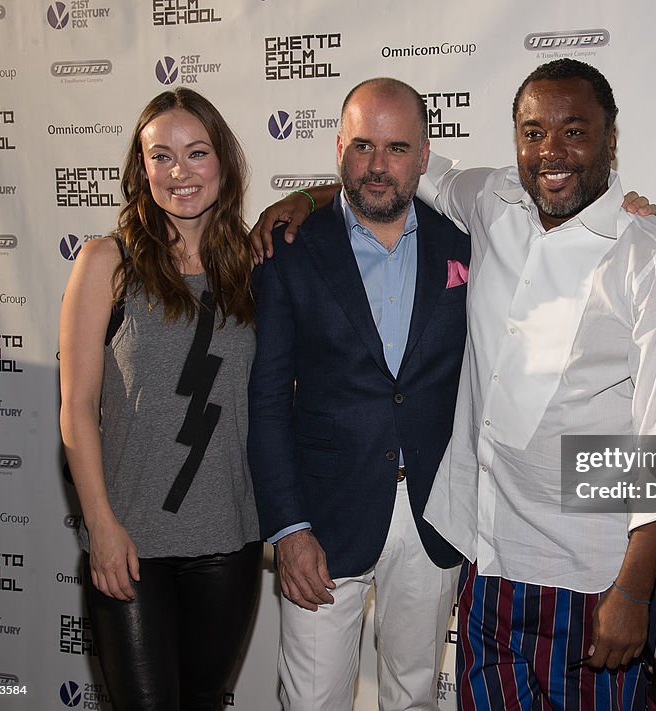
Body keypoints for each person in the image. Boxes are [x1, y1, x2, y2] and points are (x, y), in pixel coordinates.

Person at [250, 60, 656, 710]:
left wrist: (633, 589)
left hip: (590, 579)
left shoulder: (652, 260)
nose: (553, 150)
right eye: (534, 131)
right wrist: (304, 197)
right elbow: (379, 176)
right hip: (486, 572)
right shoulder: (491, 203)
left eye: (575, 130)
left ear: (611, 138)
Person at [246, 78, 468, 710]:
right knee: (313, 700)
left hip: (431, 515)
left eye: (397, 148)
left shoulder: (466, 242)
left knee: (413, 696)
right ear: (338, 147)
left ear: (424, 158)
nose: (378, 165)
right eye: (363, 146)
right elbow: (264, 403)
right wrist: (288, 527)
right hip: (321, 518)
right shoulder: (289, 252)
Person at [59, 87, 261, 711]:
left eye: (196, 153)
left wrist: (306, 198)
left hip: (230, 544)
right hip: (132, 543)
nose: (179, 172)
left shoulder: (251, 266)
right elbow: (76, 410)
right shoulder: (106, 263)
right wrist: (101, 527)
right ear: (140, 169)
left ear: (223, 163)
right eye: (161, 156)